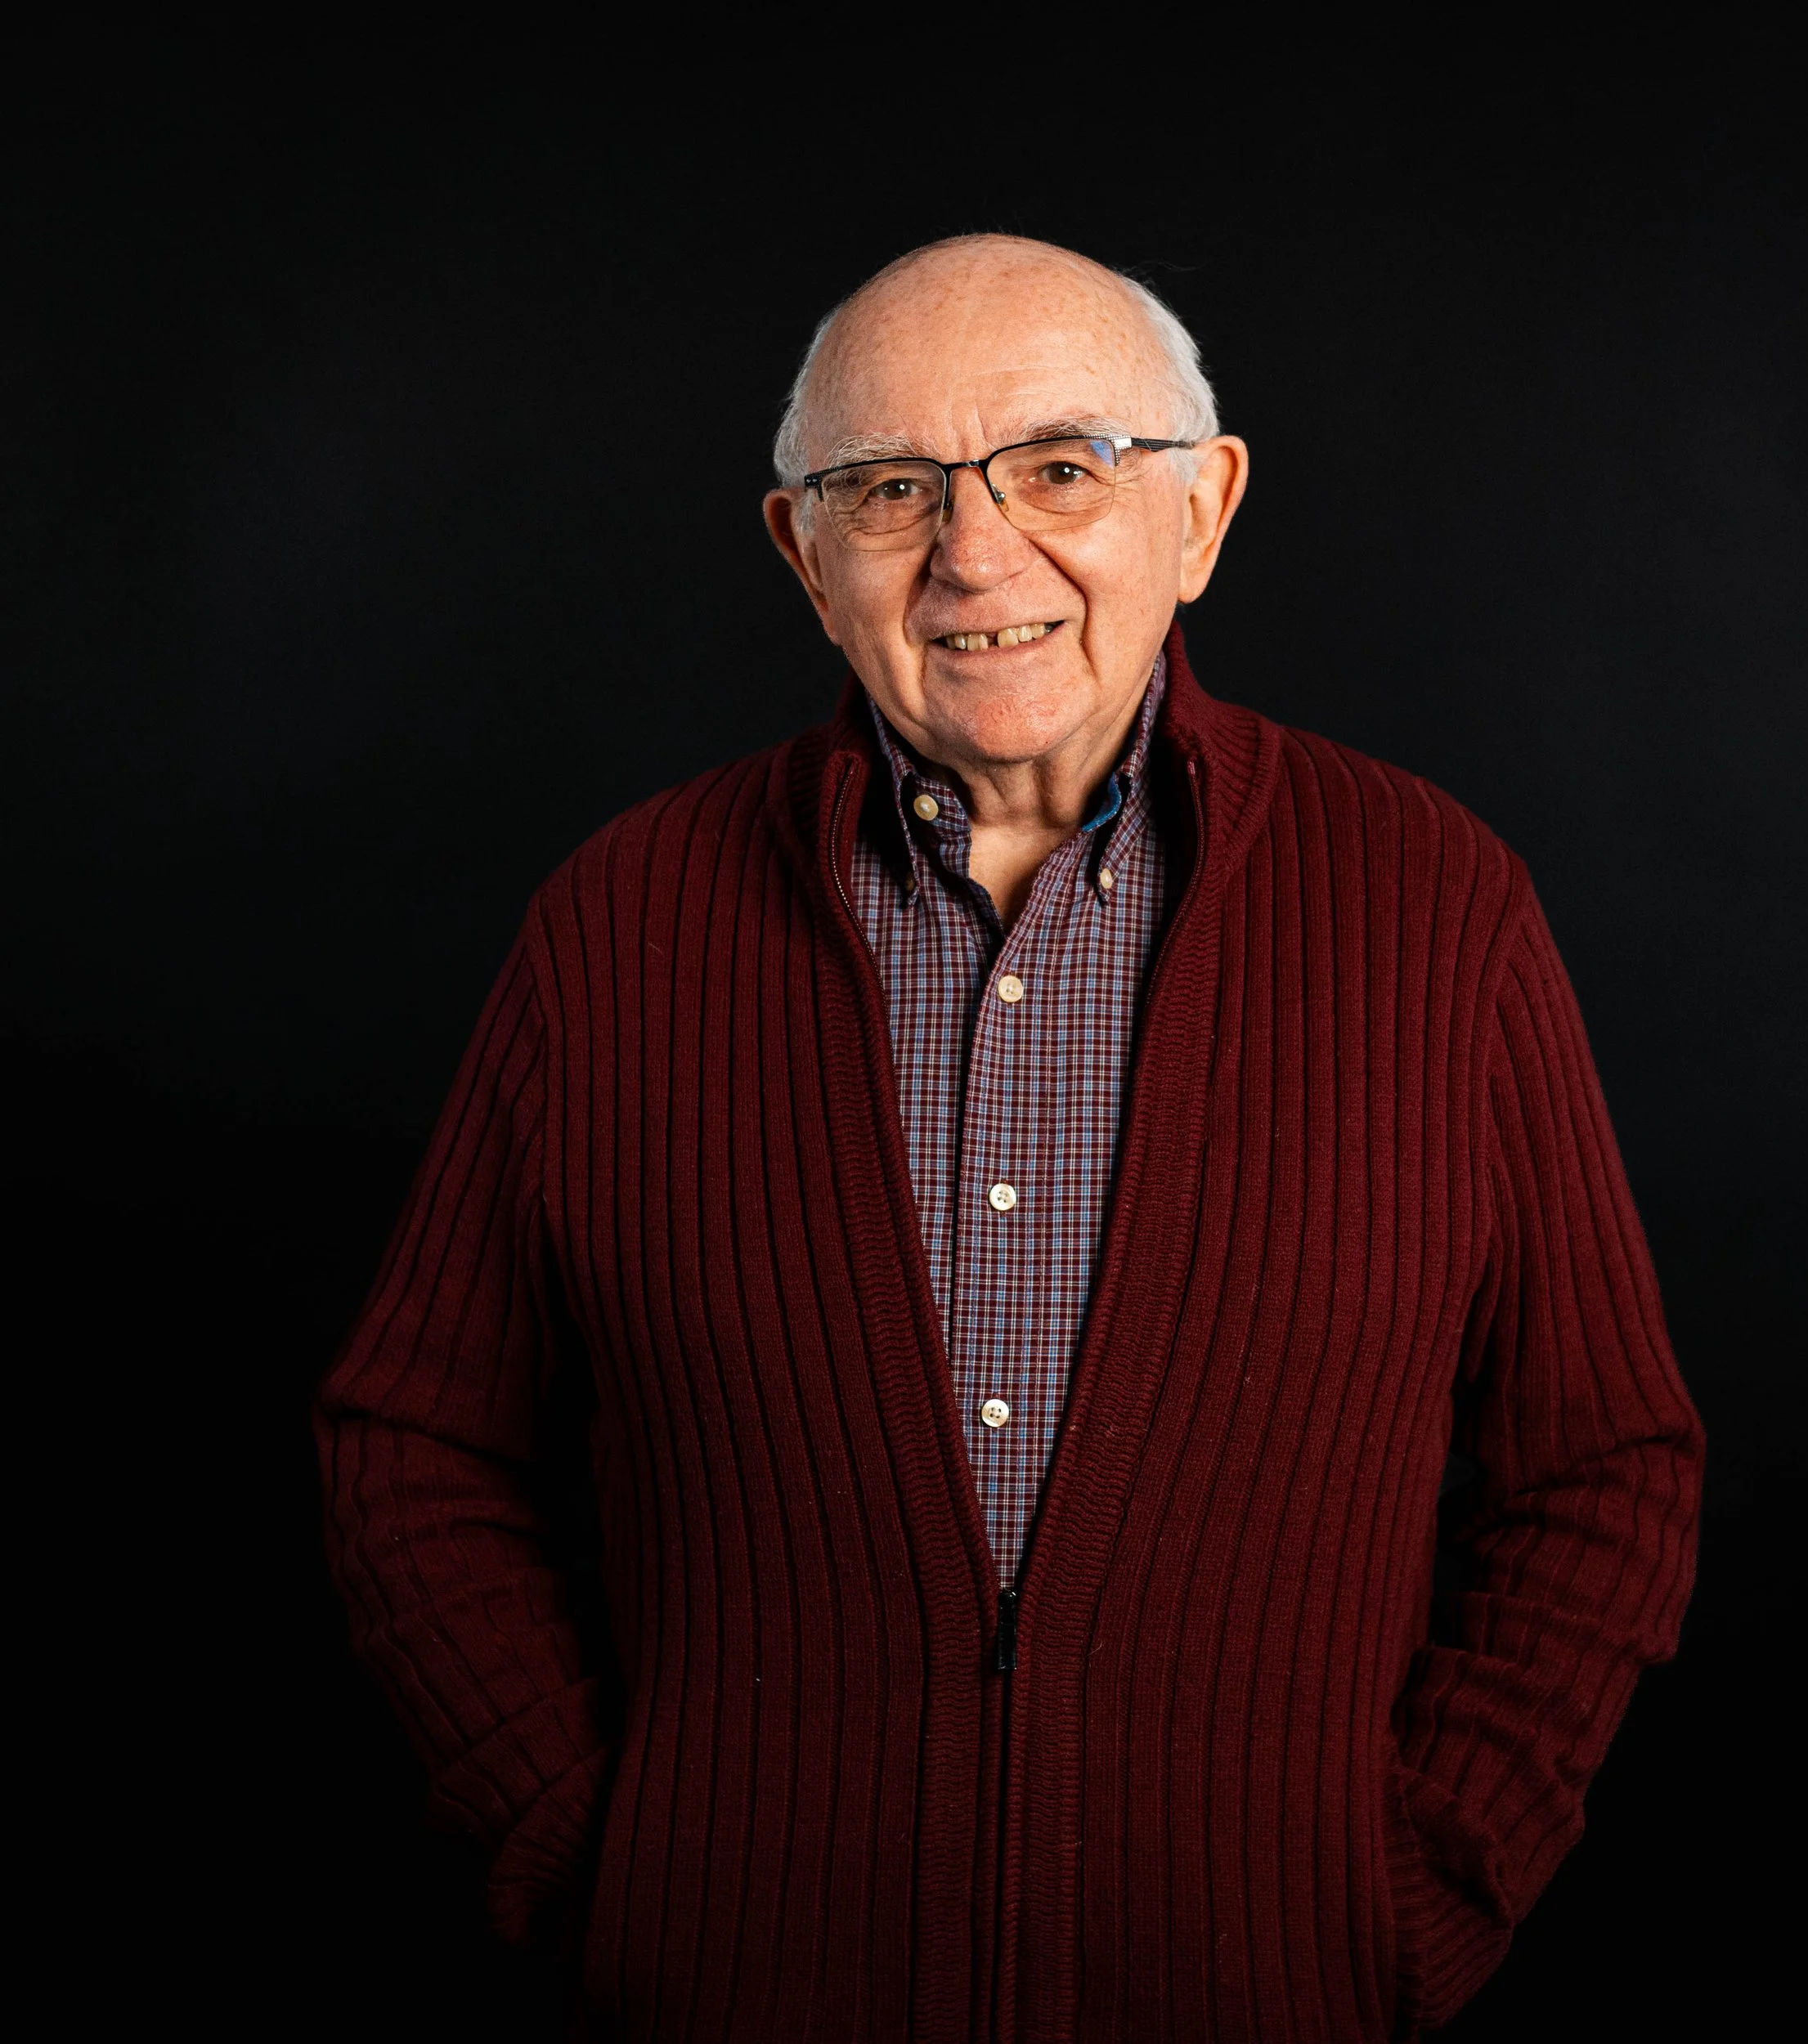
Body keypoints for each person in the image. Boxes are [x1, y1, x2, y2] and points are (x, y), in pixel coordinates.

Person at [317, 234, 1703, 2042]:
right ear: (801, 554)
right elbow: (412, 1441)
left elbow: (1605, 1461)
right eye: (889, 489)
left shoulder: (1433, 910)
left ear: (1199, 514)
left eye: (1062, 467)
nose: (975, 553)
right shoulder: (619, 924)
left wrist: (1415, 1883)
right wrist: (599, 1861)